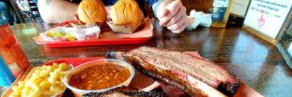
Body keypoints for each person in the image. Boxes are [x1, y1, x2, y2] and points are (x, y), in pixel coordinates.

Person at [38, 0, 188, 33]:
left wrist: (169, 11)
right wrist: (104, 11)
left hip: (136, 46)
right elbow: (47, 9)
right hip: (79, 49)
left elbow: (161, 2)